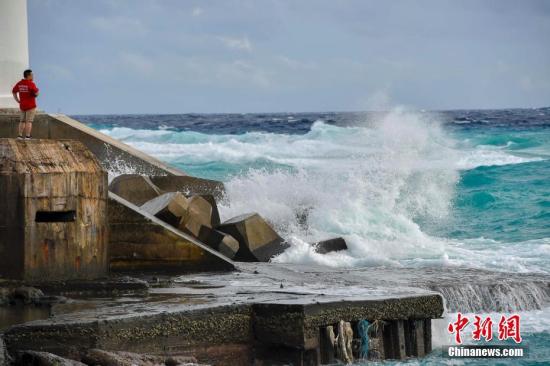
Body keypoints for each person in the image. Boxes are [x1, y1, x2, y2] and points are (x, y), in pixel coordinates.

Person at [12, 69, 39, 139]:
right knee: (29, 121)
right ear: (28, 76)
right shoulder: (31, 84)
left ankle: (20, 135)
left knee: (22, 121)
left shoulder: (20, 83)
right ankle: (27, 136)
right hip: (30, 106)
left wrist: (17, 100)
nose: (33, 76)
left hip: (22, 105)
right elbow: (36, 93)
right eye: (32, 75)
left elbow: (14, 91)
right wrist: (37, 92)